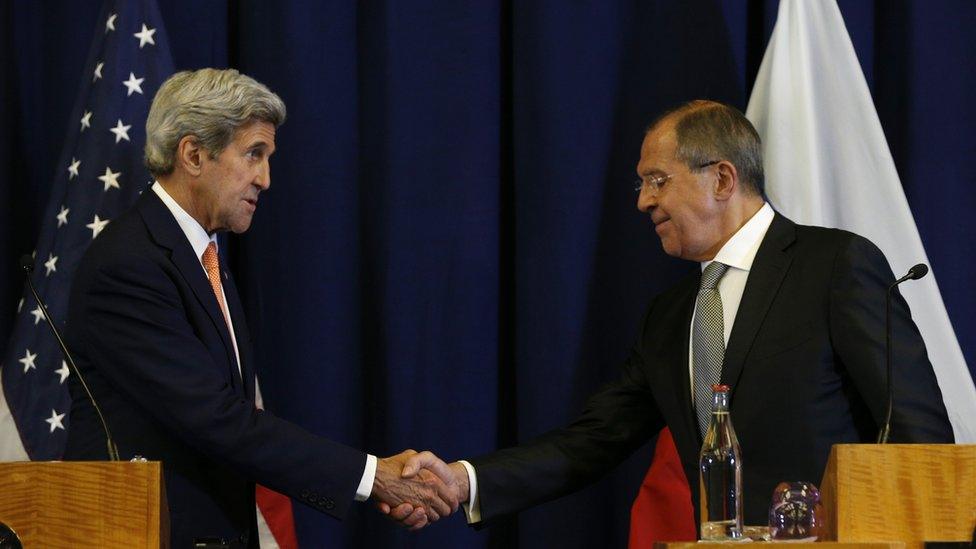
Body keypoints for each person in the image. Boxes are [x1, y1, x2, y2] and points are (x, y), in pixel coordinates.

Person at [386, 99, 954, 530]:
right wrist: (463, 481)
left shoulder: (833, 265)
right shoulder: (670, 315)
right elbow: (594, 440)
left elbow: (917, 431)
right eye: (642, 184)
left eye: (658, 181)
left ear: (723, 179)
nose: (642, 201)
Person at [63, 68, 455, 547]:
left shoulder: (202, 257)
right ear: (193, 154)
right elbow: (217, 418)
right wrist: (374, 476)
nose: (266, 179)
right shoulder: (129, 264)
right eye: (254, 154)